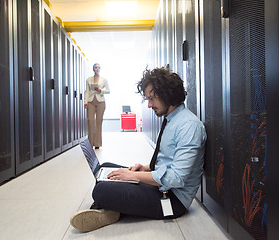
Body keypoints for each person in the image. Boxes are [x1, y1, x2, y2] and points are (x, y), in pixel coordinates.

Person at [70, 67, 207, 232]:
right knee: (108, 168)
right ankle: (113, 208)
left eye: (152, 98)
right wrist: (145, 168)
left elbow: (177, 178)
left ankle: (110, 210)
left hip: (172, 199)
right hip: (161, 187)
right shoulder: (173, 119)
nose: (149, 105)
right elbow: (170, 160)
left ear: (167, 93)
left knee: (101, 190)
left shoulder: (189, 126)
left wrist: (135, 176)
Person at [84, 63, 110, 149]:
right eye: (96, 67)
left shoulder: (104, 79)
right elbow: (87, 91)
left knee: (99, 122)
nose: (97, 68)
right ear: (93, 69)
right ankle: (90, 143)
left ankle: (97, 144)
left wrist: (100, 90)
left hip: (100, 102)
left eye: (99, 67)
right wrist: (85, 102)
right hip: (91, 101)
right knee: (90, 121)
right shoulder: (88, 79)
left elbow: (108, 90)